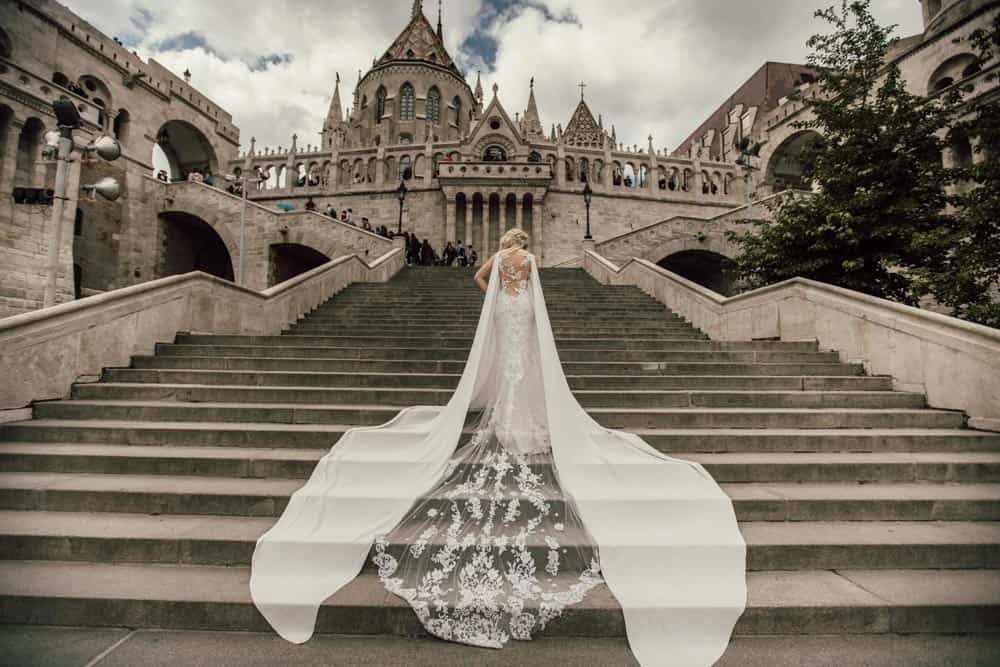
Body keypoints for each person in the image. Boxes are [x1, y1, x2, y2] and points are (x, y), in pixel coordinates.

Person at [250, 227, 746, 663]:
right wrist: (526, 306)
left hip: (504, 310)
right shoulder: (529, 262)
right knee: (523, 368)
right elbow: (540, 297)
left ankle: (507, 417)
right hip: (523, 312)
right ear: (525, 245)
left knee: (509, 368)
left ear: (505, 244)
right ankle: (520, 421)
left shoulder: (499, 260)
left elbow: (478, 279)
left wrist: (496, 299)